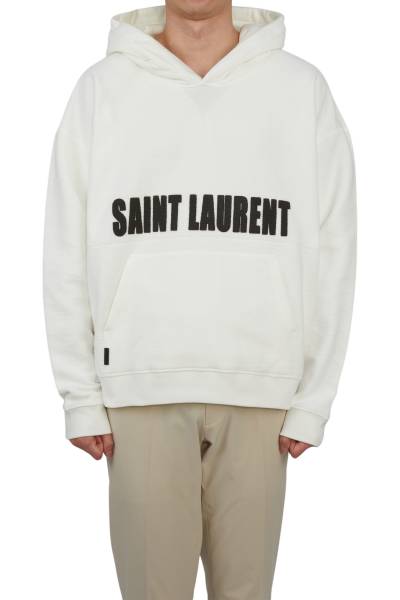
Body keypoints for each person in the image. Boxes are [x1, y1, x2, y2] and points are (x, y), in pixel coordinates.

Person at [42, 2, 357, 599]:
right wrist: (79, 396)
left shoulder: (301, 89)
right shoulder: (101, 89)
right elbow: (64, 247)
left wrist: (314, 399)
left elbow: (336, 247)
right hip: (140, 387)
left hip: (261, 386)